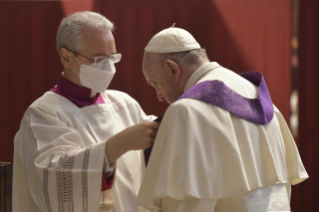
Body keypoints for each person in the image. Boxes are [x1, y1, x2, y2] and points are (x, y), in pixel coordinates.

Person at [137, 26, 308, 212]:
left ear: (172, 69)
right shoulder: (260, 98)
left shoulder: (186, 111)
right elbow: (282, 187)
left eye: (155, 83)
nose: (159, 97)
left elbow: (185, 203)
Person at [12, 11, 158, 212]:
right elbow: (54, 179)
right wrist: (114, 146)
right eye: (98, 59)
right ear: (66, 57)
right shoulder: (44, 114)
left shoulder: (124, 104)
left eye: (112, 57)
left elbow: (162, 144)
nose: (108, 67)